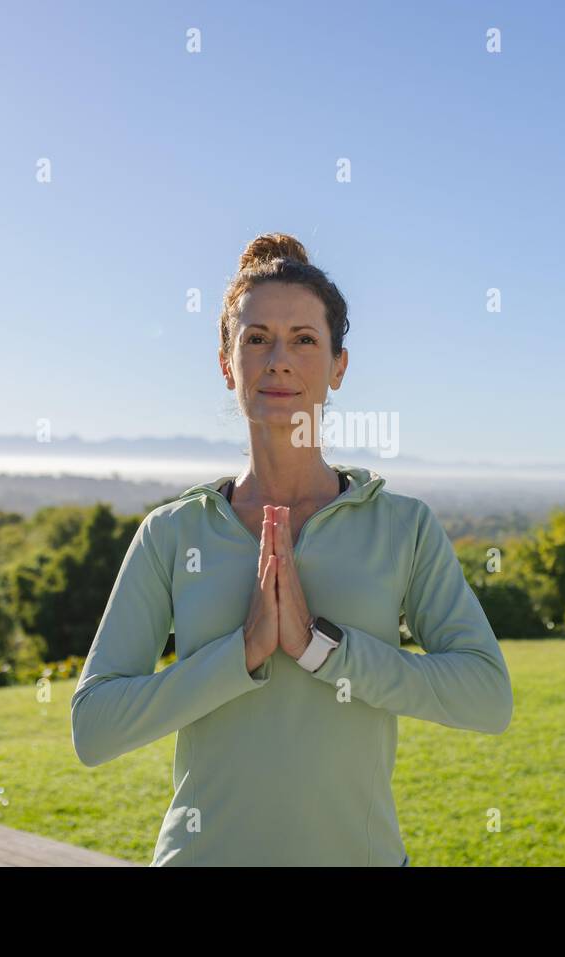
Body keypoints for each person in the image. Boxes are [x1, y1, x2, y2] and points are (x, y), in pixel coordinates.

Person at [70, 232, 513, 866]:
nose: (279, 360)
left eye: (304, 339)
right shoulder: (172, 533)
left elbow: (487, 697)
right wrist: (243, 652)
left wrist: (320, 648)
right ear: (227, 364)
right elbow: (94, 728)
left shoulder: (403, 527)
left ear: (338, 366)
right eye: (257, 338)